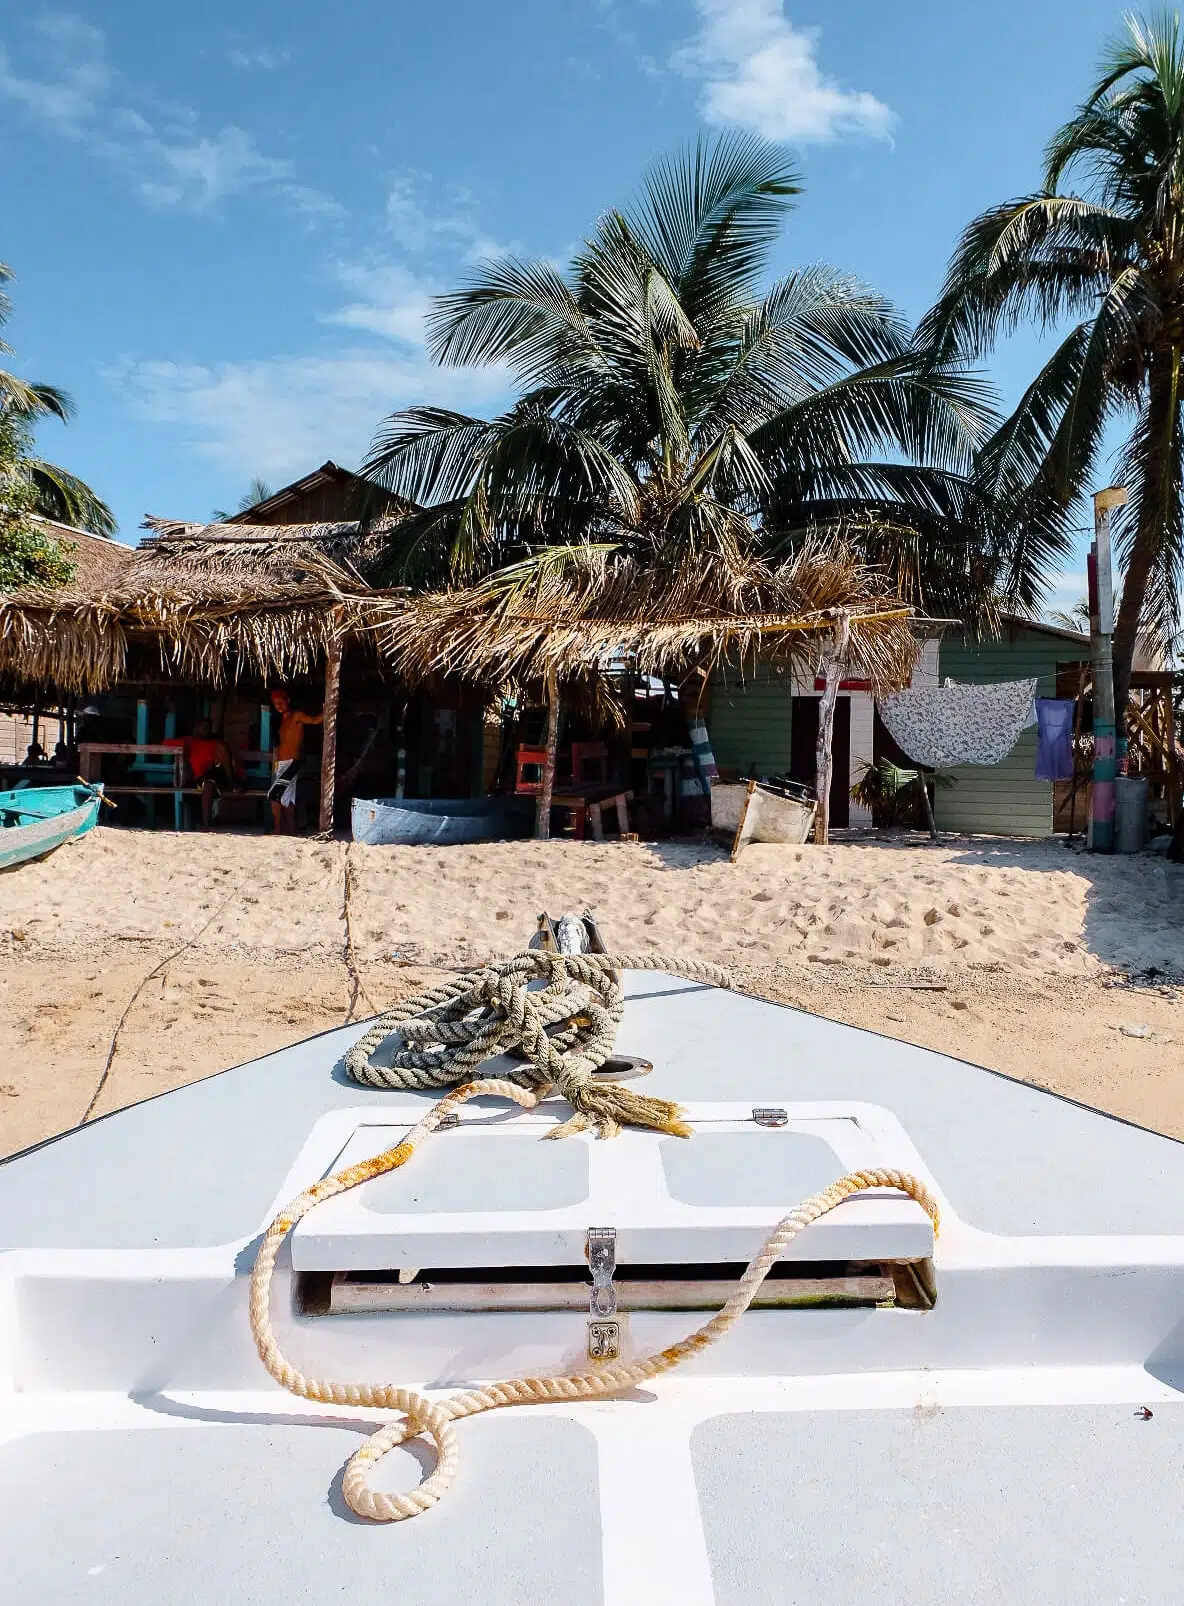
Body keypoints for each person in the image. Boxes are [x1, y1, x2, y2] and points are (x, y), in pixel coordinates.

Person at [267, 689, 323, 834]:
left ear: (288, 701)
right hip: (281, 765)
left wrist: (326, 710)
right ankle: (291, 831)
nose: (278, 706)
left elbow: (315, 720)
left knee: (274, 795)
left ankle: (278, 830)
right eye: (276, 704)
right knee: (286, 799)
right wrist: (275, 765)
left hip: (292, 763)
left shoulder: (297, 716)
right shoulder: (281, 720)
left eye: (281, 702)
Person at [183, 718, 241, 829]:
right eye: (203, 728)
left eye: (208, 728)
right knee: (204, 784)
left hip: (213, 776)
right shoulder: (189, 741)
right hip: (195, 778)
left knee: (208, 783)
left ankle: (206, 826)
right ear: (195, 728)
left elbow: (226, 762)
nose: (206, 731)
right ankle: (202, 823)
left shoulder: (216, 744)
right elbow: (165, 743)